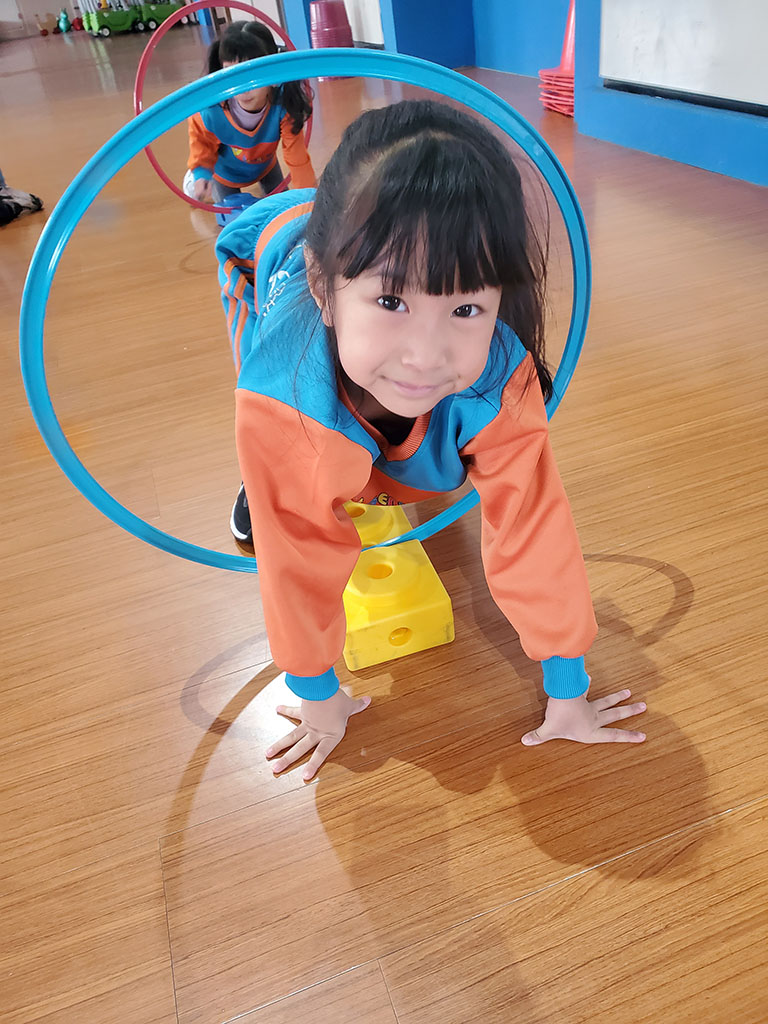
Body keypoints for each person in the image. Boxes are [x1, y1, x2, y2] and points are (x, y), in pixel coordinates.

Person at [215, 99, 647, 781]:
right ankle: (269, 472)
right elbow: (295, 559)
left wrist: (568, 689)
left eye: (466, 307)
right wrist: (317, 696)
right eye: (392, 302)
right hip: (268, 251)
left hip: (344, 257)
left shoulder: (500, 376)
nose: (425, 354)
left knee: (406, 439)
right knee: (291, 469)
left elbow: (534, 526)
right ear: (327, 288)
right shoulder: (284, 393)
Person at [185, 20, 315, 205]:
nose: (243, 89)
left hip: (265, 166)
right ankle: (192, 181)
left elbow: (297, 157)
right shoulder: (211, 111)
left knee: (282, 205)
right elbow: (201, 141)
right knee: (231, 213)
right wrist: (201, 172)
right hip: (225, 175)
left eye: (252, 77)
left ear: (273, 74)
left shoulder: (284, 105)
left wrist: (310, 200)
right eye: (232, 75)